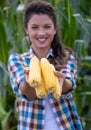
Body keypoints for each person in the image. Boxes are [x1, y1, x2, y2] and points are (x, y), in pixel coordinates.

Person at [8, 0, 82, 130]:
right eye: (34, 27)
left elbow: (68, 86)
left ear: (55, 29)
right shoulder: (16, 60)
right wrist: (30, 81)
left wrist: (61, 81)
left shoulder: (67, 57)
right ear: (26, 30)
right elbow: (29, 95)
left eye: (47, 27)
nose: (41, 33)